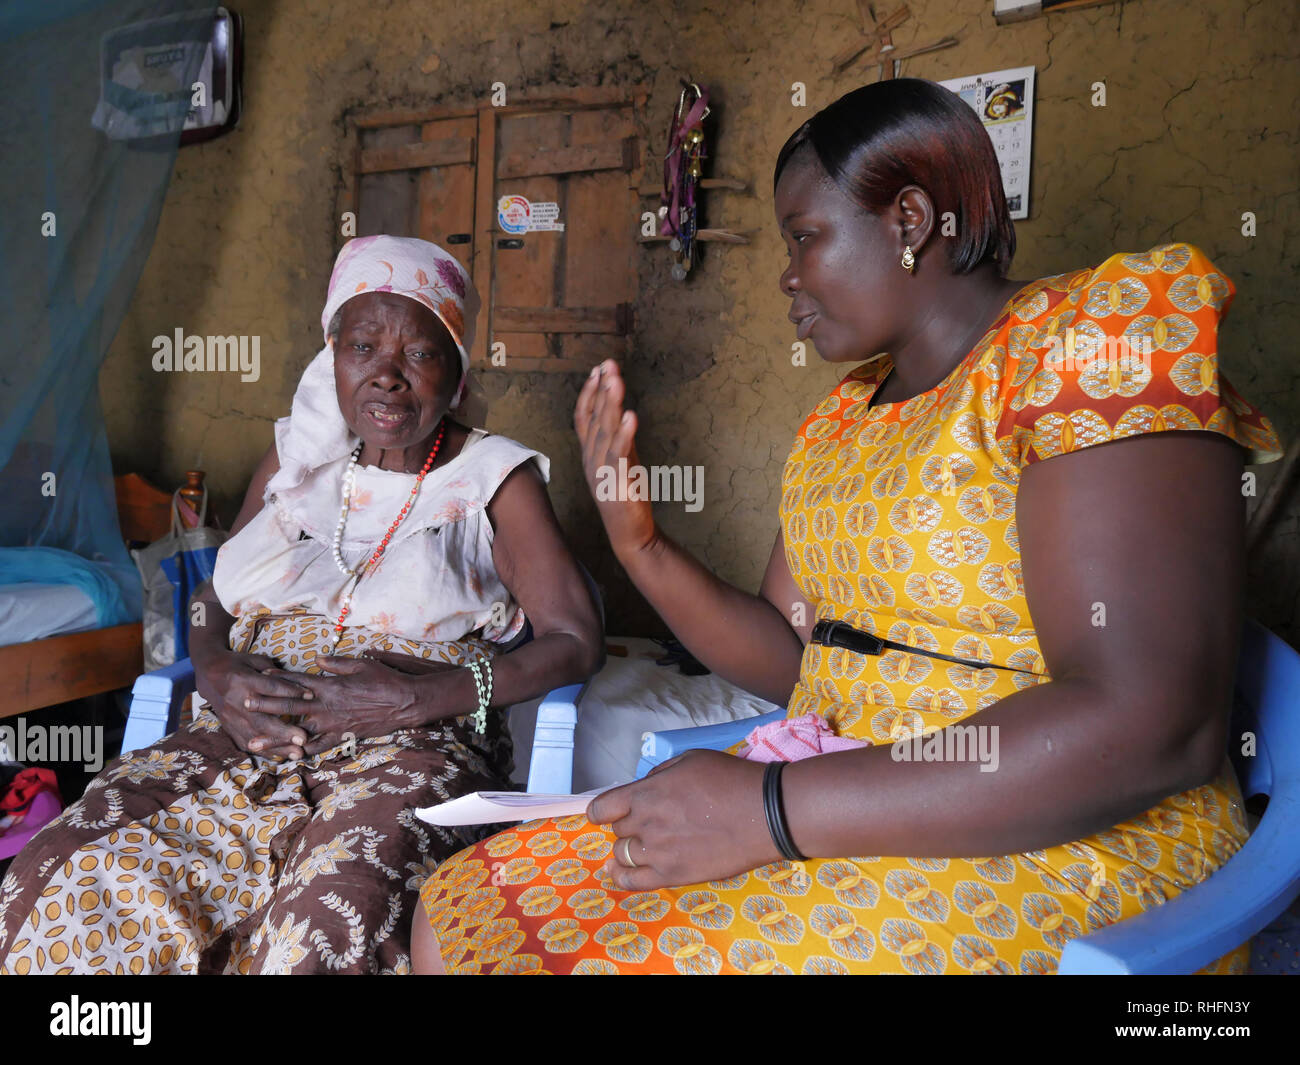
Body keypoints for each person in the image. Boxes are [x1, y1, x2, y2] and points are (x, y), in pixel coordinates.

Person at [413, 79, 1283, 975]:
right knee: (466, 904)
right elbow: (797, 658)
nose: (787, 274)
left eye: (804, 237)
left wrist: (773, 810)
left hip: (1053, 838)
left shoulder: (1095, 343)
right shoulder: (846, 415)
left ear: (908, 221)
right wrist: (639, 540)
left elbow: (1149, 722)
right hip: (842, 791)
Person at [0, 235, 603, 974]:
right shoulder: (295, 464)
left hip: (414, 742)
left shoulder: (494, 479)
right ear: (332, 356)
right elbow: (209, 600)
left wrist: (411, 699)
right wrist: (215, 670)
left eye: (418, 352)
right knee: (62, 868)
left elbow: (575, 638)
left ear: (455, 370)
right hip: (246, 724)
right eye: (362, 346)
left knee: (325, 925)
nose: (386, 375)